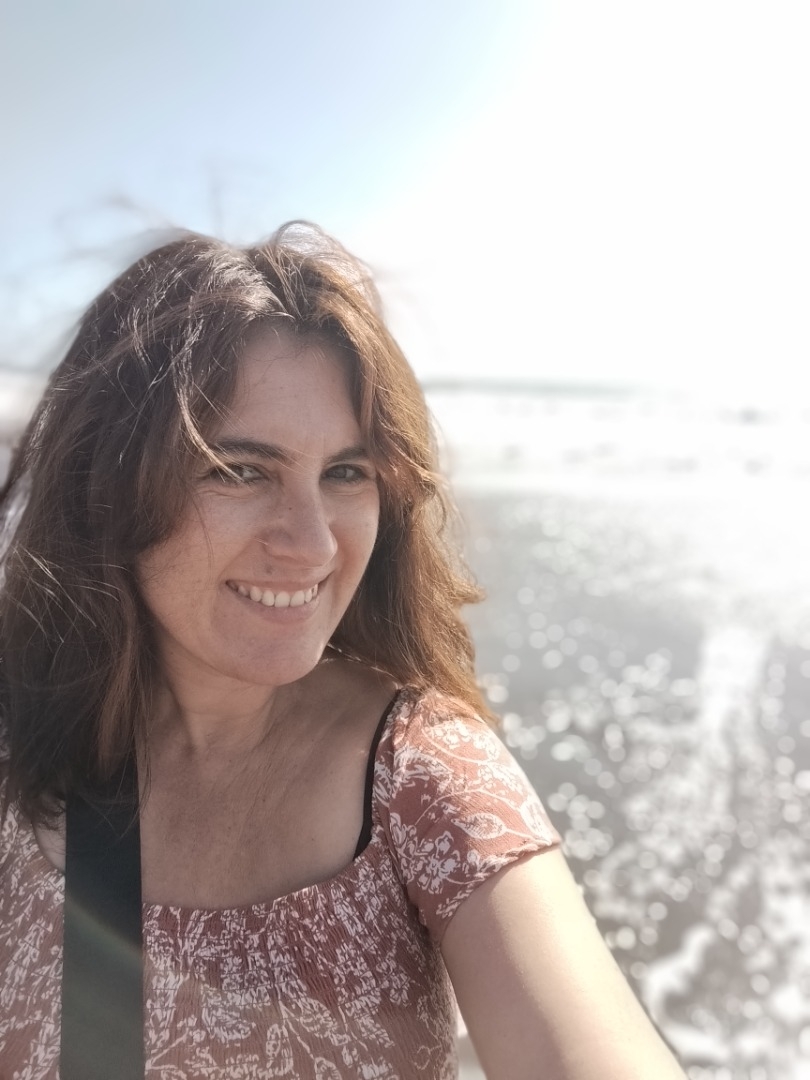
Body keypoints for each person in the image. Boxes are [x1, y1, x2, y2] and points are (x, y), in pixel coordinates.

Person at [0, 223, 686, 1079]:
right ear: (103, 485)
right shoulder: (22, 753)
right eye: (240, 470)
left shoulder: (419, 777)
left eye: (346, 473)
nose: (315, 544)